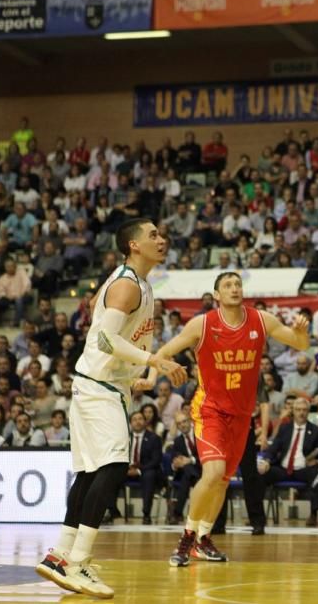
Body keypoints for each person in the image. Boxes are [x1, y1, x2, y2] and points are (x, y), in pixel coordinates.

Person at [36, 219, 186, 599]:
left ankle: (60, 554)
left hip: (102, 384)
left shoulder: (137, 283)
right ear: (133, 245)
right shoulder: (125, 284)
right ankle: (78, 561)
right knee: (116, 464)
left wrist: (135, 371)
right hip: (98, 387)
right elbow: (104, 337)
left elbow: (96, 312)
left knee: (89, 473)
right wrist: (153, 361)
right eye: (152, 235)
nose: (161, 239)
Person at [155, 272, 309, 566]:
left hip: (242, 416)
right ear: (217, 295)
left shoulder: (261, 320)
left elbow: (300, 344)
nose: (234, 288)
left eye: (238, 284)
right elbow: (165, 351)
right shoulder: (203, 324)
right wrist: (153, 373)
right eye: (227, 285)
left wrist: (302, 331)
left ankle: (203, 537)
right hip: (210, 409)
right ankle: (187, 536)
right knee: (212, 474)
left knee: (223, 482)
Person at [257, 397, 318, 526]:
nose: (301, 413)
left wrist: (317, 461)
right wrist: (266, 461)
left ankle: (313, 514)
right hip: (283, 468)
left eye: (304, 410)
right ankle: (258, 516)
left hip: (303, 469)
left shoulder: (316, 431)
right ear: (293, 411)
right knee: (260, 475)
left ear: (308, 411)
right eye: (298, 410)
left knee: (317, 475)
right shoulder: (285, 428)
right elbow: (274, 447)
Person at [166, 412, 200, 525]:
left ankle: (177, 513)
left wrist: (191, 460)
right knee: (187, 472)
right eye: (179, 423)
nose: (183, 425)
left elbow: (206, 456)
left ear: (190, 421)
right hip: (188, 474)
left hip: (202, 470)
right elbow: (174, 461)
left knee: (187, 470)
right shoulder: (178, 441)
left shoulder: (200, 435)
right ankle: (185, 513)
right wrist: (175, 464)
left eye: (184, 421)